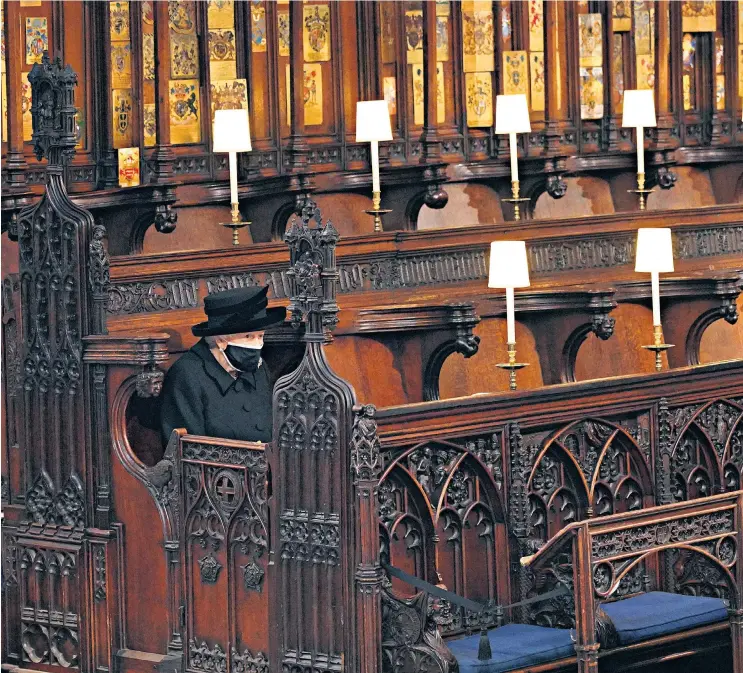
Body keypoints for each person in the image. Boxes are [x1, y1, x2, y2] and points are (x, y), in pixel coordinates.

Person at [160, 285, 285, 444]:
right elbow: (187, 453)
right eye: (248, 336)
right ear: (220, 339)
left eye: (260, 336)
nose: (257, 344)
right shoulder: (186, 376)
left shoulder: (259, 368)